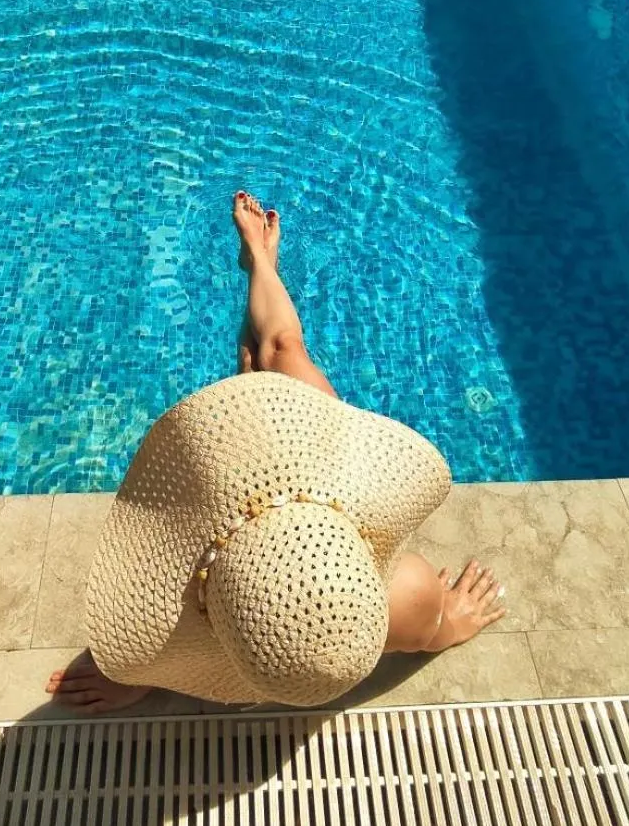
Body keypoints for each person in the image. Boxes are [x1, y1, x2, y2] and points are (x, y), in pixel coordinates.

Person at [47, 192, 506, 713]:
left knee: (252, 364)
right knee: (282, 349)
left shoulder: (302, 628)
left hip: (284, 505)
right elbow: (434, 629)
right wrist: (451, 621)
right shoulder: (413, 592)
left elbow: (173, 646)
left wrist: (140, 676)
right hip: (322, 478)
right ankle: (261, 260)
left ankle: (259, 273)